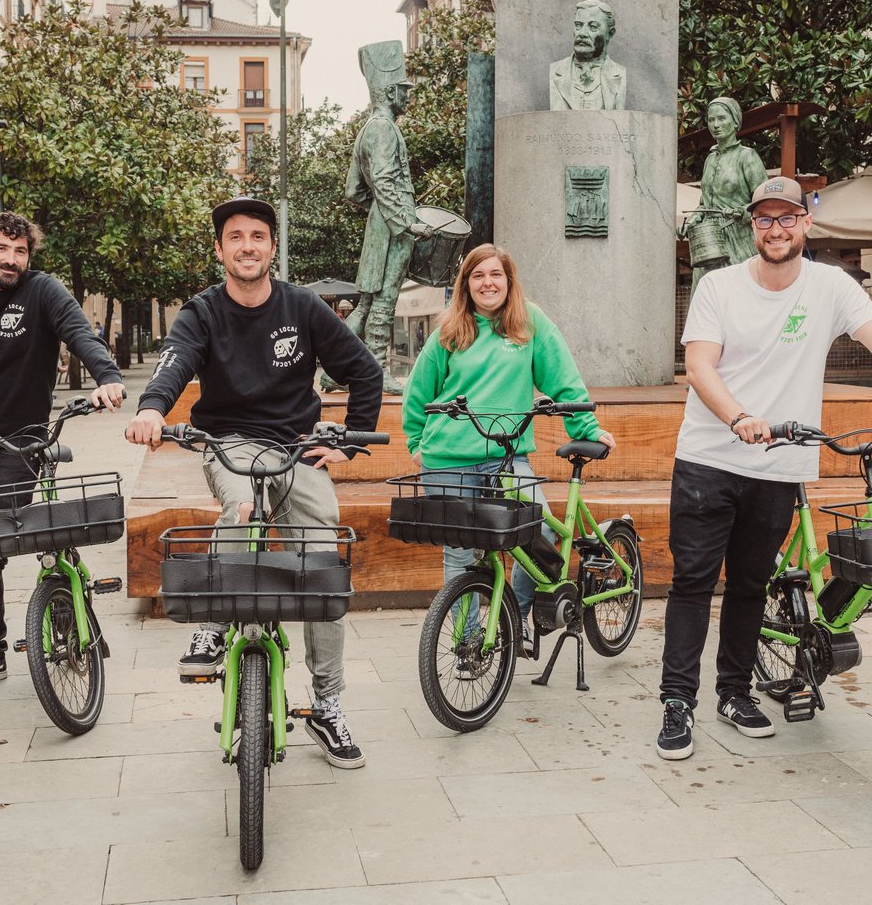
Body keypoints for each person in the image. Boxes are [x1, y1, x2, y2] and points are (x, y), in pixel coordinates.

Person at [655, 176, 872, 761]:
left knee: (751, 584)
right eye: (764, 220)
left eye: (786, 218)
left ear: (806, 224)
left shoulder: (829, 285)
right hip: (710, 457)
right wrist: (738, 418)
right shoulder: (718, 287)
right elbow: (701, 367)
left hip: (780, 466)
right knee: (693, 582)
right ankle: (677, 704)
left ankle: (734, 693)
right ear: (751, 226)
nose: (775, 229)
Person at [126, 195, 384, 768]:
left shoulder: (303, 307)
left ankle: (329, 706)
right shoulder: (202, 311)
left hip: (297, 446)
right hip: (229, 442)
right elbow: (174, 361)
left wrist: (351, 440)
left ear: (272, 247)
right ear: (220, 249)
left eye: (258, 236)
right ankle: (213, 626)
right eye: (236, 237)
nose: (248, 246)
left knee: (323, 568)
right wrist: (150, 409)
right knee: (239, 507)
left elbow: (365, 371)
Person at [0, 211, 125, 691]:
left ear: (29, 256)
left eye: (20, 251)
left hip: (17, 446)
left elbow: (80, 333)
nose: (11, 259)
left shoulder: (44, 292)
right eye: (2, 249)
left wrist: (108, 377)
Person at [402, 244, 615, 655]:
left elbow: (564, 382)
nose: (487, 283)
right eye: (478, 275)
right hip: (447, 460)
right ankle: (466, 645)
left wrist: (587, 426)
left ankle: (514, 617)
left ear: (508, 280)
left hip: (506, 456)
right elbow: (418, 393)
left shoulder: (529, 324)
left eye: (495, 274)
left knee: (542, 530)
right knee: (460, 554)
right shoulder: (450, 329)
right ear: (466, 284)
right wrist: (416, 442)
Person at [344, 40, 431, 392]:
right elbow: (380, 180)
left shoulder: (368, 128)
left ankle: (336, 370)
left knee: (365, 304)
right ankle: (377, 371)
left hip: (382, 223)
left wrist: (380, 213)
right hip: (395, 229)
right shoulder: (382, 128)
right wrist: (404, 221)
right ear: (391, 90)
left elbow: (354, 190)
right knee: (382, 301)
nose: (408, 98)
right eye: (405, 91)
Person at [685, 96, 768, 294]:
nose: (715, 125)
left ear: (735, 121)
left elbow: (764, 203)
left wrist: (743, 212)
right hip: (709, 241)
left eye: (721, 118)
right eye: (711, 120)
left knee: (738, 297)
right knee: (703, 297)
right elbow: (704, 203)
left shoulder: (747, 156)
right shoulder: (710, 159)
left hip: (739, 239)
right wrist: (694, 219)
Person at [549, 0, 626, 111]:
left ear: (610, 33)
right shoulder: (556, 71)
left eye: (593, 27)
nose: (582, 33)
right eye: (578, 25)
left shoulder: (619, 74)